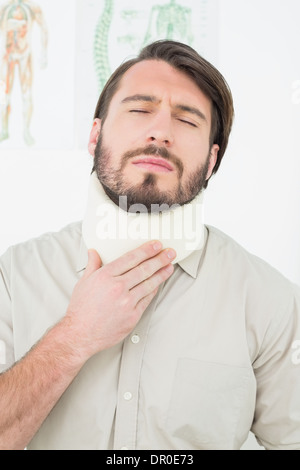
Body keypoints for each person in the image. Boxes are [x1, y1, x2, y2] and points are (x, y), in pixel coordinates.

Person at [0, 40, 299, 451]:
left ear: (212, 161)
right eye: (140, 110)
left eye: (188, 120)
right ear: (95, 134)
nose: (160, 131)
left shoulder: (270, 302)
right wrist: (74, 336)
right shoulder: (14, 276)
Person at [0, 0, 48, 145]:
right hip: (8, 55)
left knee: (26, 93)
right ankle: (4, 129)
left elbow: (43, 28)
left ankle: (26, 130)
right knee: (4, 94)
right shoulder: (5, 7)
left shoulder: (32, 7)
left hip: (24, 55)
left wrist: (44, 53)